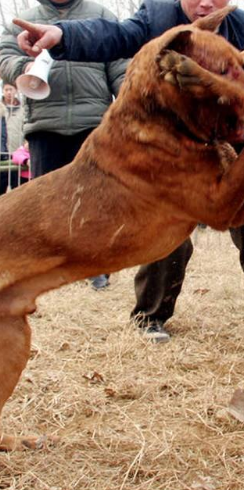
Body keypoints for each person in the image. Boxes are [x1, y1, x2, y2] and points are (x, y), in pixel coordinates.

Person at [15, 0, 244, 342]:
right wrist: (62, 35)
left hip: (231, 131)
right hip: (169, 151)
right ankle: (149, 317)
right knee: (168, 228)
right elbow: (113, 35)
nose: (205, 3)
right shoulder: (157, 18)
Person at [0, 0, 127, 289]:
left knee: (96, 200)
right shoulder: (24, 20)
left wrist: (129, 97)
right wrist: (24, 65)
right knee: (46, 204)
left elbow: (120, 65)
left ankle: (96, 268)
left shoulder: (100, 15)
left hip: (94, 123)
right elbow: (3, 56)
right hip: (45, 123)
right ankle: (50, 267)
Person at [1, 83, 24, 154]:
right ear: (2, 91)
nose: (9, 92)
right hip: (2, 151)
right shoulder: (0, 108)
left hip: (19, 151)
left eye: (11, 89)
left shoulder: (23, 109)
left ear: (16, 90)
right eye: (6, 90)